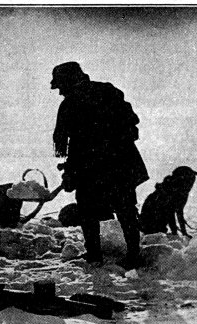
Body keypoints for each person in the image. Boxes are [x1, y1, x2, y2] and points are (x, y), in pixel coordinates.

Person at [51, 62, 149, 269]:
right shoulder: (108, 91)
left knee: (88, 209)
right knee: (125, 209)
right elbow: (132, 122)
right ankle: (133, 254)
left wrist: (71, 172)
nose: (60, 92)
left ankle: (95, 255)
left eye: (61, 86)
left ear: (69, 82)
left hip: (95, 167)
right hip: (119, 163)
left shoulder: (70, 105)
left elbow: (73, 144)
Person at [140, 166, 197, 237]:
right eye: (188, 182)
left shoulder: (179, 190)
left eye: (192, 182)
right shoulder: (169, 191)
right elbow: (170, 214)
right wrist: (175, 233)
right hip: (151, 226)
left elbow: (179, 212)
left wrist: (184, 233)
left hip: (153, 225)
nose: (190, 186)